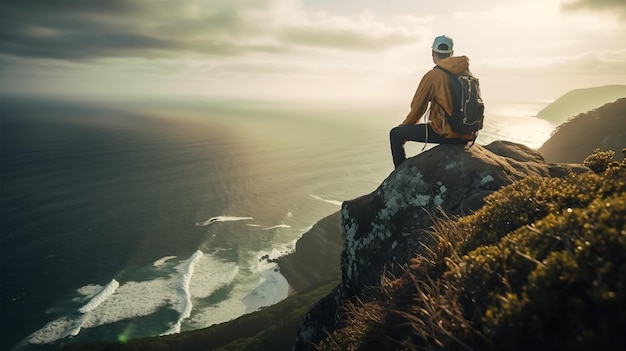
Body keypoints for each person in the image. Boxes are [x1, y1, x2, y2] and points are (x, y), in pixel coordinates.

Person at [390, 35, 476, 169]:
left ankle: (400, 173)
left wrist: (405, 128)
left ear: (432, 53)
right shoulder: (467, 74)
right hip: (467, 134)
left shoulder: (434, 75)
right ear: (451, 53)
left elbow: (418, 108)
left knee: (395, 134)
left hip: (446, 133)